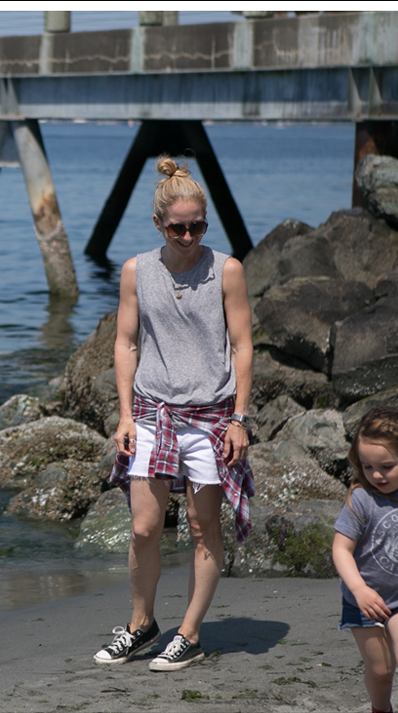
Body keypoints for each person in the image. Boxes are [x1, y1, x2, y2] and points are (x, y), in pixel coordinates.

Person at [93, 155, 254, 671]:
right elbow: (125, 344)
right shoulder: (136, 271)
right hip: (150, 413)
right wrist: (123, 416)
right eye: (178, 227)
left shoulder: (227, 271)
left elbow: (244, 347)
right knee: (143, 528)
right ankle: (141, 624)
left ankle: (189, 632)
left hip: (211, 417)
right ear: (159, 224)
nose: (188, 236)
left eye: (197, 227)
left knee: (205, 528)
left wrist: (240, 419)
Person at [331, 407, 398, 713]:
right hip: (364, 601)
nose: (376, 475)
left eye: (387, 466)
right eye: (368, 466)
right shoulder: (363, 498)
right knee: (381, 671)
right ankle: (381, 712)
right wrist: (359, 590)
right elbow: (340, 549)